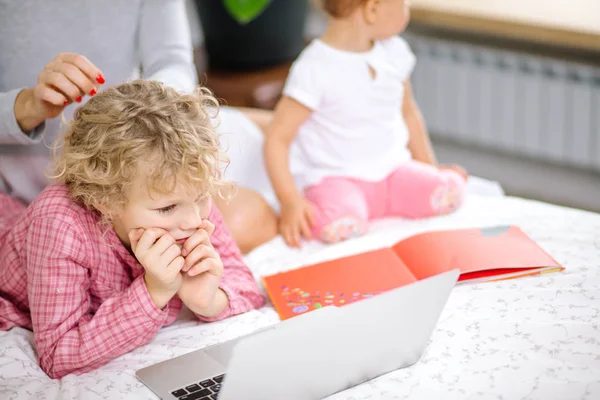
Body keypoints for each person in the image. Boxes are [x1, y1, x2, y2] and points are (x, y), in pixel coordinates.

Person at [0, 80, 266, 379]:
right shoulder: (59, 224)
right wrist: (153, 292)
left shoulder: (185, 196)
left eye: (203, 197)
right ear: (104, 201)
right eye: (166, 208)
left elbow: (242, 279)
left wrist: (208, 300)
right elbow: (58, 355)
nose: (194, 221)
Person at [0, 0, 277, 254]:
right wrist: (25, 106)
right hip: (26, 174)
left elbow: (173, 62)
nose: (195, 222)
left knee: (256, 209)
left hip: (142, 150)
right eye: (168, 208)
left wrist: (139, 114)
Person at [263, 0, 468, 247]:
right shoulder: (314, 68)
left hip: (393, 171)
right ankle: (342, 210)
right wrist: (290, 201)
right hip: (337, 178)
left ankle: (395, 196)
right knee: (336, 221)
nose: (407, 11)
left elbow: (408, 113)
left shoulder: (393, 52)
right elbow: (277, 138)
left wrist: (429, 167)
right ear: (371, 9)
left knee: (448, 190)